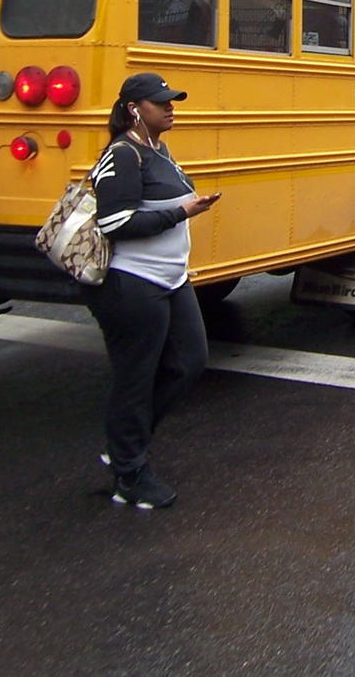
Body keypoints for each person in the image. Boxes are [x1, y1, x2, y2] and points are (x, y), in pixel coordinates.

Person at [89, 72, 220, 508]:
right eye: (159, 101)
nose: (170, 107)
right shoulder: (123, 155)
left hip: (171, 279)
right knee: (135, 377)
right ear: (133, 109)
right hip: (133, 284)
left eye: (172, 100)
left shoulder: (158, 150)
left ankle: (126, 444)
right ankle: (129, 474)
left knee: (189, 361)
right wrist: (182, 211)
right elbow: (114, 223)